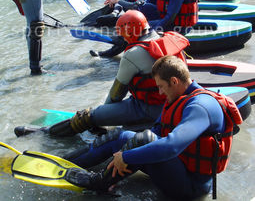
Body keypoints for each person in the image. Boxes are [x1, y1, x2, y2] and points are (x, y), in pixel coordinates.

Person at [60, 55, 243, 200]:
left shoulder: (201, 106)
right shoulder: (177, 97)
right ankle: (65, 162)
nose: (160, 93)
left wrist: (126, 156)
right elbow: (157, 131)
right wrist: (124, 152)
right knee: (122, 136)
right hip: (178, 167)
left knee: (142, 140)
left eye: (162, 87)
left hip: (190, 187)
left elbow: (171, 146)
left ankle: (98, 182)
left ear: (174, 81)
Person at [14, 11, 189, 138]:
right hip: (173, 104)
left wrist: (100, 115)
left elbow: (115, 94)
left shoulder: (133, 54)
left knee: (88, 116)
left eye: (122, 33)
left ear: (129, 32)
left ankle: (44, 133)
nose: (121, 37)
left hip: (148, 108)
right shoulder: (165, 38)